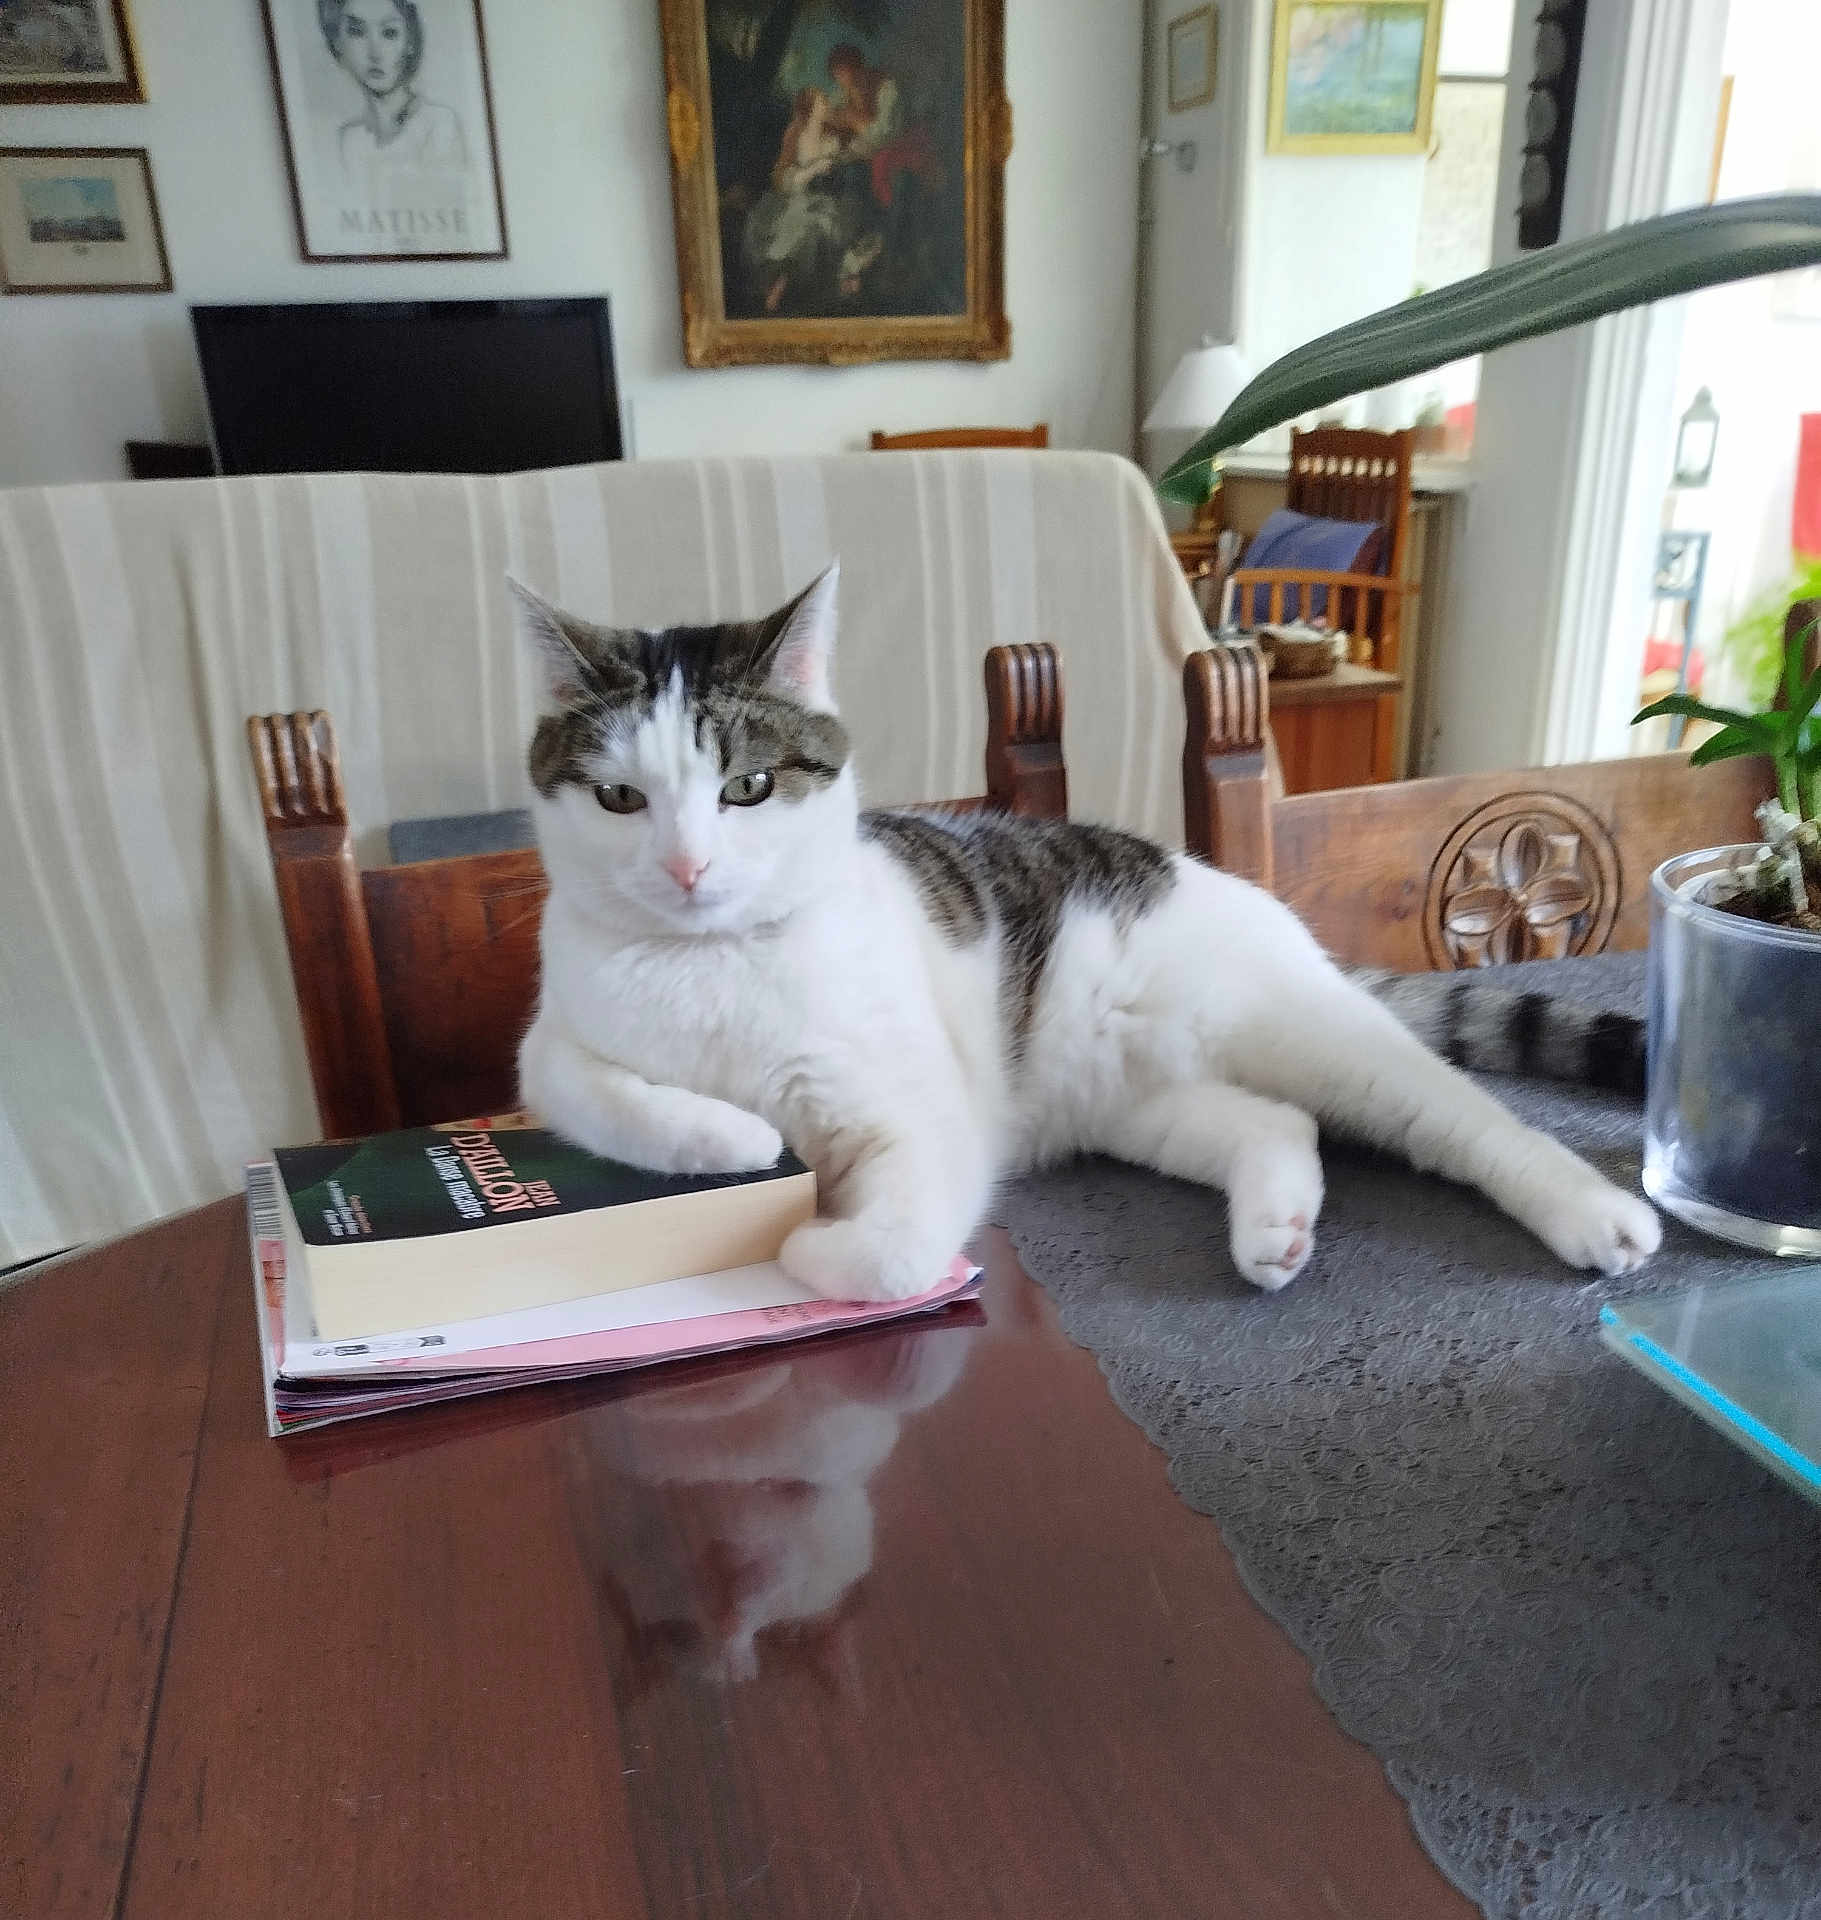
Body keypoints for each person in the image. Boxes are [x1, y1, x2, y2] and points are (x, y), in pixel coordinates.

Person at [317, 0, 468, 177]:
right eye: (357, 32)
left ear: (410, 42)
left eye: (389, 33)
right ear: (337, 44)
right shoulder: (349, 141)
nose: (375, 53)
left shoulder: (438, 124)